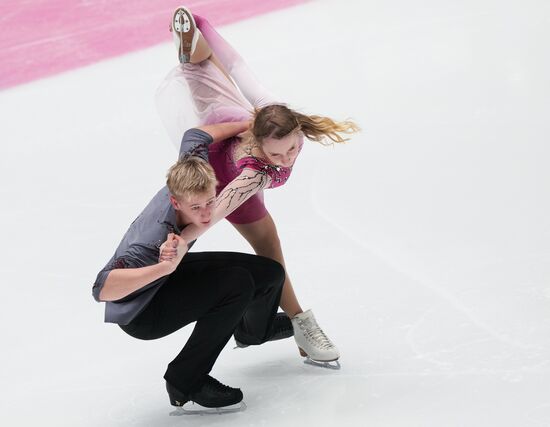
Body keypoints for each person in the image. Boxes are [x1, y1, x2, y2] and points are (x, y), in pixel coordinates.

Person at [156, 6, 360, 366]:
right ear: (260, 144)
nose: (287, 159)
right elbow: (218, 210)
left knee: (214, 79)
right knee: (269, 247)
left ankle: (194, 47)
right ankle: (302, 324)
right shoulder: (252, 174)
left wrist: (206, 28)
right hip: (224, 170)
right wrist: (183, 240)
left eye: (293, 148)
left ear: (296, 129)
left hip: (230, 120)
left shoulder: (273, 114)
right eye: (277, 154)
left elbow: (238, 68)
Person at [92, 123, 294, 413]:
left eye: (211, 201)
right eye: (196, 208)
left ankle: (254, 331)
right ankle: (184, 382)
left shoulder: (193, 167)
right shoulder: (150, 242)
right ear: (175, 201)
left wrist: (249, 124)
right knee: (236, 284)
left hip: (168, 277)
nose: (207, 213)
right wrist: (162, 268)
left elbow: (195, 136)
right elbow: (102, 290)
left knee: (269, 273)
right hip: (144, 312)